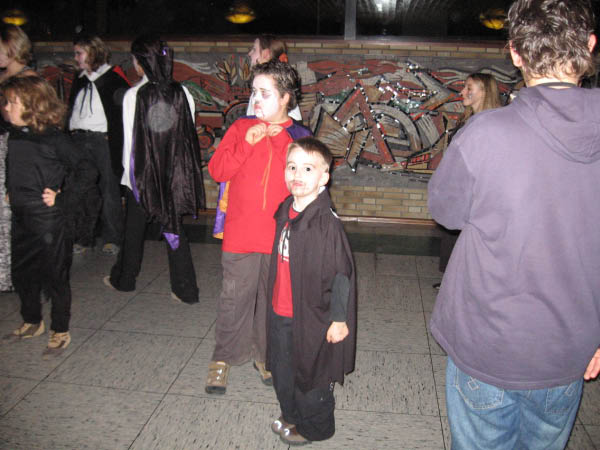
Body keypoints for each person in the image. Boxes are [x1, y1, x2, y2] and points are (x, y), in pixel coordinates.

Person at [427, 0, 600, 448]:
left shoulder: (486, 134)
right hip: (570, 348)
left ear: (516, 54)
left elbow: (445, 212)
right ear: (589, 45)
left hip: (488, 343)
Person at [206, 59, 311, 394]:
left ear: (285, 98)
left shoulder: (300, 137)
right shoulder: (240, 128)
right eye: (254, 92)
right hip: (240, 234)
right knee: (234, 298)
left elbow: (307, 185)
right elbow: (218, 170)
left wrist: (286, 147)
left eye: (265, 93)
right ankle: (223, 357)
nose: (256, 100)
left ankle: (264, 355)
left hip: (279, 237)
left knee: (270, 302)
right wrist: (246, 143)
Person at [267, 137, 356, 445]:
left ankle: (315, 428)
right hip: (281, 310)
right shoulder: (286, 209)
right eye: (291, 167)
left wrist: (339, 319)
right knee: (282, 368)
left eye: (308, 168)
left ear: (324, 177)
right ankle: (291, 414)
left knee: (311, 374)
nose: (297, 174)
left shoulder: (326, 224)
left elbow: (341, 275)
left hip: (312, 316)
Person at [104, 34, 204, 304]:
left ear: (141, 62)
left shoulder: (134, 95)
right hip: (173, 176)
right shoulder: (182, 92)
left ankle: (125, 279)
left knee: (133, 231)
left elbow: (131, 145)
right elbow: (187, 137)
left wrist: (128, 178)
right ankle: (185, 289)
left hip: (142, 177)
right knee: (174, 229)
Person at [1, 76, 96, 356]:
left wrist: (63, 198)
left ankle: (60, 329)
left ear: (32, 105)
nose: (6, 108)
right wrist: (9, 190)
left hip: (49, 220)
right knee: (22, 274)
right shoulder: (16, 134)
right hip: (21, 216)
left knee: (55, 276)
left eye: (12, 103)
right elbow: (13, 164)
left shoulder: (54, 138)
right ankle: (32, 320)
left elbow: (88, 170)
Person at [433, 72, 501, 289]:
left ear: (484, 91)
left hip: (479, 196)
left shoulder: (493, 124)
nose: (462, 92)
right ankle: (455, 282)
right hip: (462, 192)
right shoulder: (470, 120)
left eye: (469, 87)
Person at [67, 35, 129, 254]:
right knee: (80, 190)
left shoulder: (113, 78)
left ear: (93, 53)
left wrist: (116, 140)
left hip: (102, 141)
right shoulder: (80, 79)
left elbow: (123, 114)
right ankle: (83, 237)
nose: (76, 57)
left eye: (79, 53)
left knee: (109, 189)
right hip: (78, 139)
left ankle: (113, 238)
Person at [0, 25, 37, 292]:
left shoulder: (28, 80)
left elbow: (36, 123)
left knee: (11, 211)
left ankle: (16, 272)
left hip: (15, 148)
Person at [247, 35, 302, 122]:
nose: (249, 53)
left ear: (266, 54)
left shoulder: (279, 85)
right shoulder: (261, 86)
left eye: (254, 49)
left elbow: (294, 124)